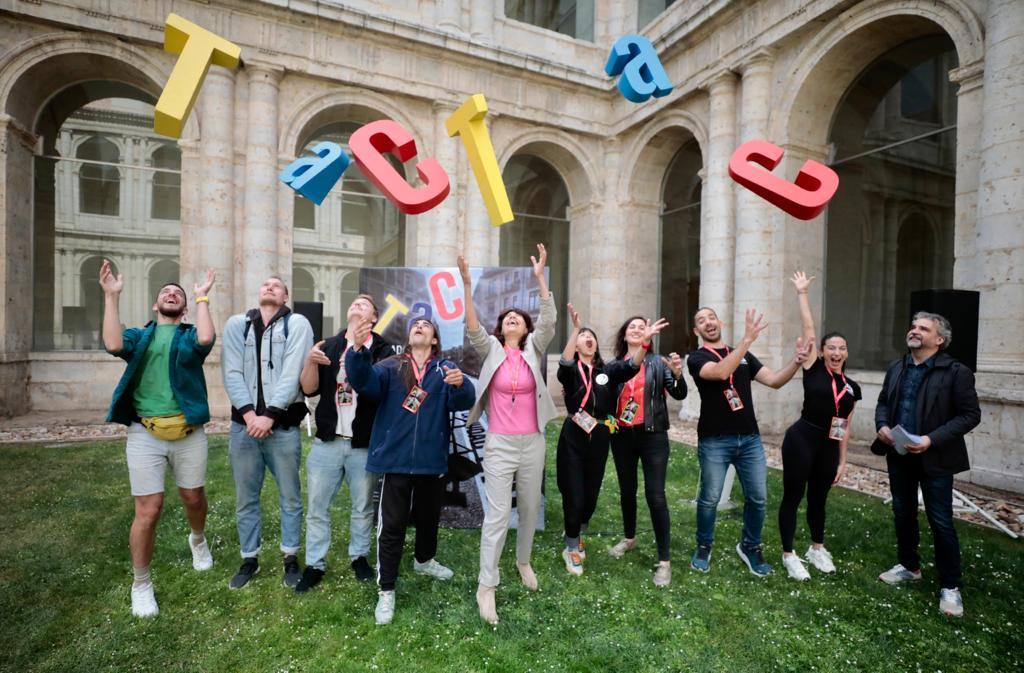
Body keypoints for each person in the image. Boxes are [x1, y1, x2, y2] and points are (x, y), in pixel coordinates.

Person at [100, 260, 217, 618]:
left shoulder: (187, 335)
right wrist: (111, 297)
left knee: (193, 498)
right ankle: (141, 584)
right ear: (156, 305)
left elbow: (206, 338)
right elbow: (112, 343)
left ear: (182, 308)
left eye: (177, 294)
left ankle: (197, 539)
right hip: (144, 434)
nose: (171, 294)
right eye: (166, 292)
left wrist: (201, 299)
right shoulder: (140, 336)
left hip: (188, 433)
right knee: (147, 512)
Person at [346, 317, 476, 625]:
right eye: (415, 324)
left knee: (430, 517)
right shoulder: (391, 366)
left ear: (434, 340)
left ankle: (424, 560)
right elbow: (362, 380)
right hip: (397, 461)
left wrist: (461, 384)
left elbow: (463, 400)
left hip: (431, 460)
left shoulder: (444, 369)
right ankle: (386, 590)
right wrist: (357, 349)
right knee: (392, 526)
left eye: (426, 325)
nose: (419, 326)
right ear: (409, 337)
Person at [458, 244, 556, 626]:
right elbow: (472, 327)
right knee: (497, 515)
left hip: (532, 441)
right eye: (508, 317)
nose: (513, 319)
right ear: (502, 328)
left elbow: (548, 320)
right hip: (499, 442)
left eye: (519, 317)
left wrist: (540, 280)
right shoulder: (491, 350)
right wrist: (468, 285)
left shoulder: (534, 347)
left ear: (526, 328)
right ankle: (487, 586)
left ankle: (524, 561)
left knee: (530, 508)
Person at [687, 304, 810, 577]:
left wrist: (796, 362)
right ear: (697, 331)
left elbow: (775, 381)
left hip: (750, 439)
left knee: (758, 498)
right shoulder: (696, 358)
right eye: (701, 321)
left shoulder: (742, 354)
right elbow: (719, 373)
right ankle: (704, 545)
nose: (708, 322)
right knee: (709, 499)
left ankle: (750, 547)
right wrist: (746, 341)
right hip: (714, 440)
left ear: (719, 322)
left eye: (711, 317)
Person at [873, 312, 980, 617]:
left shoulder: (957, 372)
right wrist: (882, 424)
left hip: (936, 458)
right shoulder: (898, 367)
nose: (915, 331)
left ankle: (950, 586)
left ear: (939, 339)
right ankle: (909, 566)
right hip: (900, 455)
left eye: (923, 329)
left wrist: (931, 440)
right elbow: (883, 402)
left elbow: (970, 415)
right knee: (902, 512)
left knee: (940, 520)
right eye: (914, 326)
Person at [295, 294, 395, 592]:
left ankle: (359, 557)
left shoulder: (382, 350)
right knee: (317, 506)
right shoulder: (328, 345)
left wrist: (360, 354)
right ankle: (315, 564)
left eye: (364, 304)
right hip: (328, 440)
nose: (356, 306)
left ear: (374, 318)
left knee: (363, 506)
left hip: (363, 442)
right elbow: (309, 389)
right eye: (353, 303)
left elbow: (381, 392)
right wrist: (311, 363)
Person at [221, 276, 314, 590]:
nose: (270, 287)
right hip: (244, 427)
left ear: (286, 295)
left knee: (290, 496)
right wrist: (250, 415)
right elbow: (231, 371)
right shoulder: (238, 324)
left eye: (277, 285)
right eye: (265, 284)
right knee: (246, 498)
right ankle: (249, 558)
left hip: (283, 428)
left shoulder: (297, 324)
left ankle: (290, 558)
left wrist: (270, 416)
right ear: (258, 293)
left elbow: (291, 373)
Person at [777, 272, 861, 581]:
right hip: (802, 439)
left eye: (842, 348)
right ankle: (789, 554)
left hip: (828, 445)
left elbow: (845, 426)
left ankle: (816, 547)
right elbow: (809, 328)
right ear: (822, 352)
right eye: (831, 348)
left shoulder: (852, 387)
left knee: (819, 499)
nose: (837, 353)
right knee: (793, 496)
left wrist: (842, 460)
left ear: (846, 353)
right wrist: (802, 293)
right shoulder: (813, 370)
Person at [554, 304, 647, 576]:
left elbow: (631, 366)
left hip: (600, 435)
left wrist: (645, 342)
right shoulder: (571, 373)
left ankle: (577, 528)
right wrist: (574, 329)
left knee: (591, 496)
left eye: (590, 335)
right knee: (574, 492)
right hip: (574, 434)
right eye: (583, 335)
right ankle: (571, 546)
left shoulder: (608, 371)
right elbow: (564, 364)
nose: (588, 337)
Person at [606, 315, 686, 587]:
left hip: (653, 436)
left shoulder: (657, 362)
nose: (638, 330)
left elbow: (679, 394)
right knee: (627, 490)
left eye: (642, 327)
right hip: (622, 436)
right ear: (624, 335)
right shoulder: (615, 365)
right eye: (633, 327)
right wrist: (608, 424)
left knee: (656, 495)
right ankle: (630, 538)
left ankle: (664, 561)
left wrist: (677, 374)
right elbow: (603, 399)